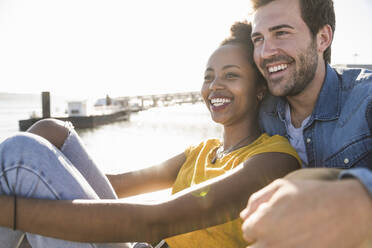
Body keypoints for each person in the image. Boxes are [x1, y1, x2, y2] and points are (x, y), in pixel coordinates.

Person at [0, 22, 300, 247]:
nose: (215, 86)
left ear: (260, 89)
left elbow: (156, 222)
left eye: (231, 75)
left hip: (149, 236)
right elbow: (115, 187)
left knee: (21, 156)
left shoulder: (273, 160)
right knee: (48, 131)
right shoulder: (201, 152)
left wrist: (12, 212)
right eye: (209, 77)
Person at [240, 0, 372, 247]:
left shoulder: (366, 99)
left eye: (281, 33)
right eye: (258, 39)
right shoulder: (262, 112)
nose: (265, 52)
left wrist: (358, 202)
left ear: (323, 38)